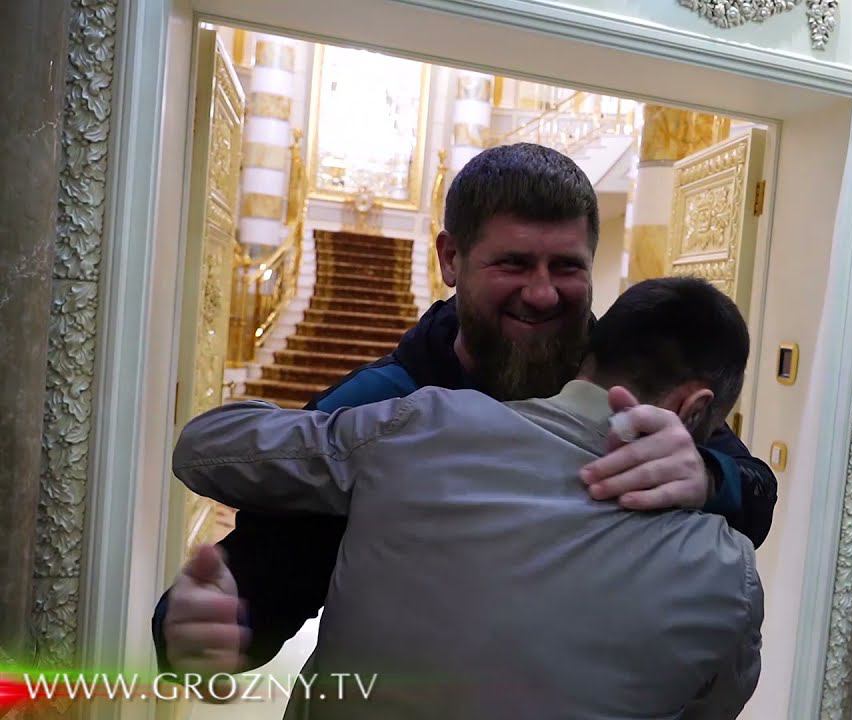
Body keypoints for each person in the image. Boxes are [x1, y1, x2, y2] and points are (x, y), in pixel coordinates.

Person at [153, 144, 778, 674]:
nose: (542, 293)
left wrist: (708, 476)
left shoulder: (628, 383)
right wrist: (208, 627)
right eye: (513, 263)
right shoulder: (389, 403)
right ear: (450, 258)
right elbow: (270, 567)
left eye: (566, 266)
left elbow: (756, 492)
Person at [172, 277, 764, 719]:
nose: (539, 294)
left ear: (588, 347)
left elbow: (203, 450)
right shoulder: (727, 573)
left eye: (563, 268)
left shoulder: (418, 426)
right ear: (696, 408)